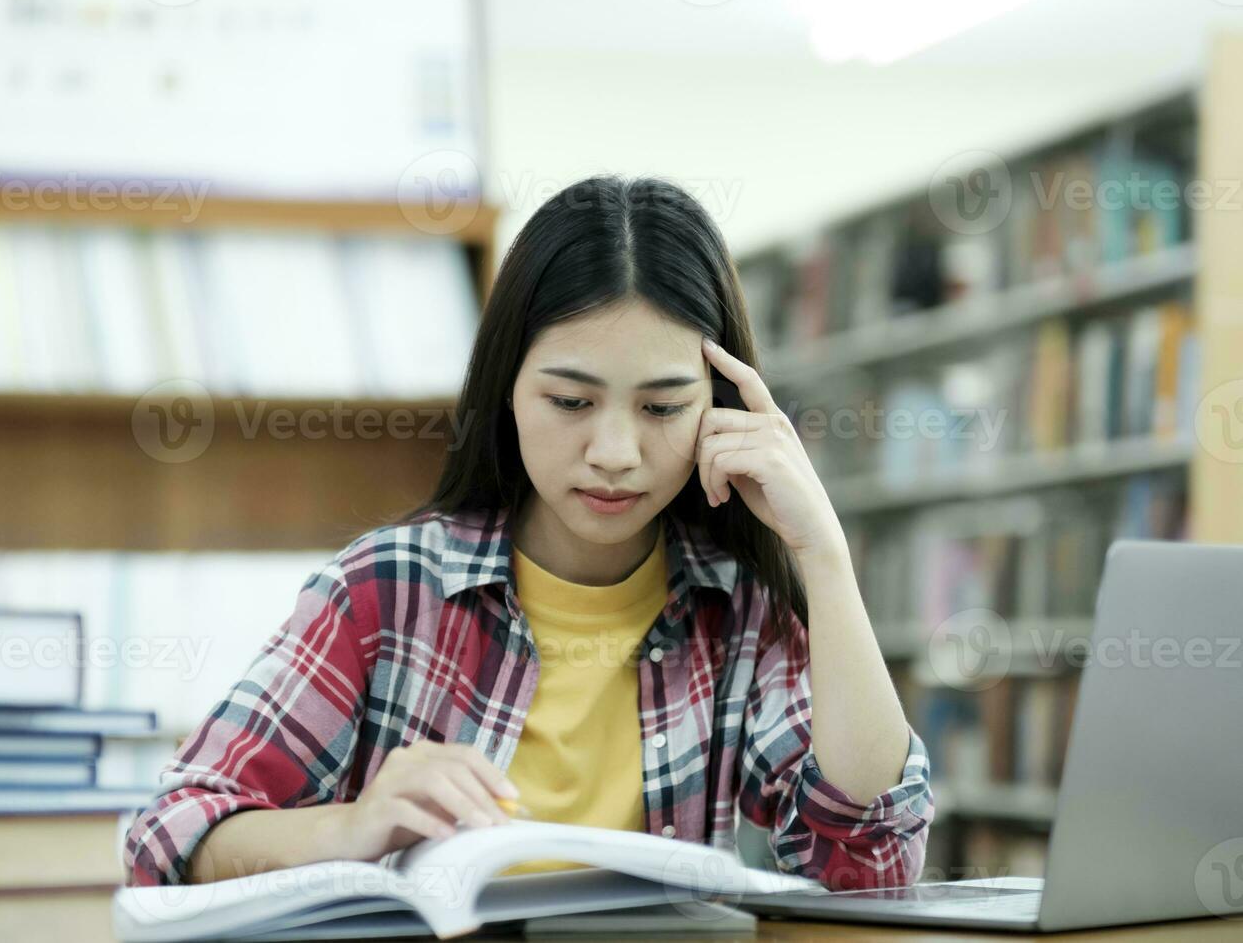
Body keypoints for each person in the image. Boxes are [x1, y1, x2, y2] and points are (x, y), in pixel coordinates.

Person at [123, 175, 933, 891]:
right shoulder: (388, 591)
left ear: (719, 406)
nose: (615, 454)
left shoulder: (738, 609)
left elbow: (870, 861)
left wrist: (823, 557)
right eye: (571, 402)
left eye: (662, 408)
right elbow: (170, 834)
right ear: (508, 389)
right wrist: (348, 829)